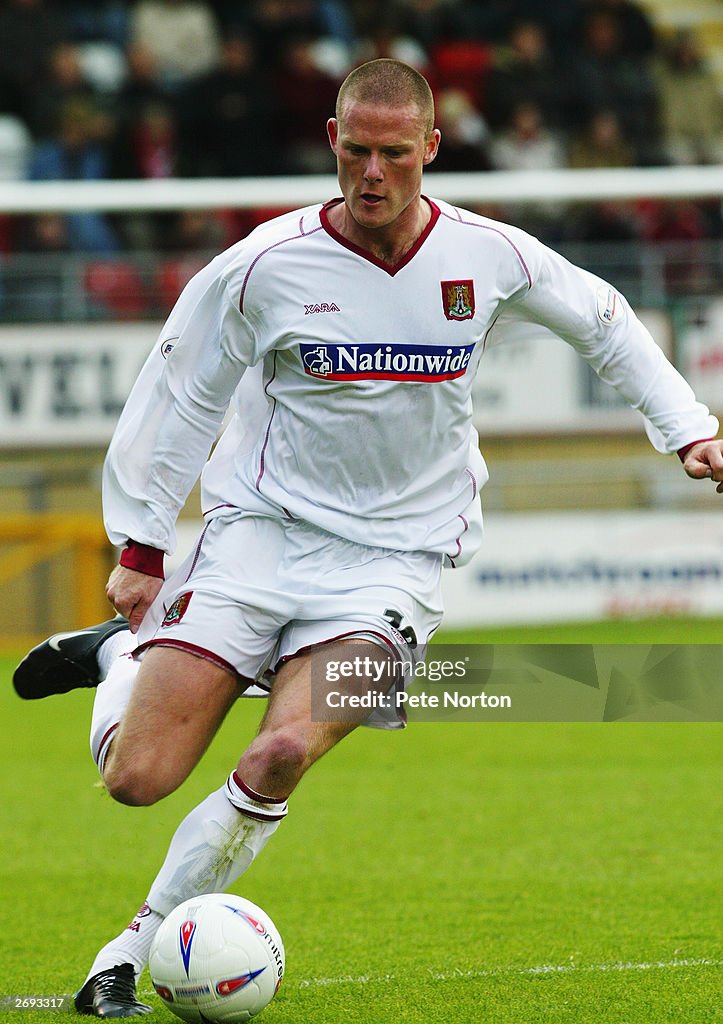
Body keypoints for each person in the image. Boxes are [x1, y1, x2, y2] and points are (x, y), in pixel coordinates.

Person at [13, 57, 723, 1018]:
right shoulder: (264, 265)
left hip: (396, 563)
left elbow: (603, 319)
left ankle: (127, 954)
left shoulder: (490, 255)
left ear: (431, 148)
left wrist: (685, 426)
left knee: (277, 755)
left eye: (395, 153)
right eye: (357, 151)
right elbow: (180, 393)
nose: (374, 173)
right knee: (137, 779)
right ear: (333, 145)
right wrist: (138, 547)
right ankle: (118, 663)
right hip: (256, 539)